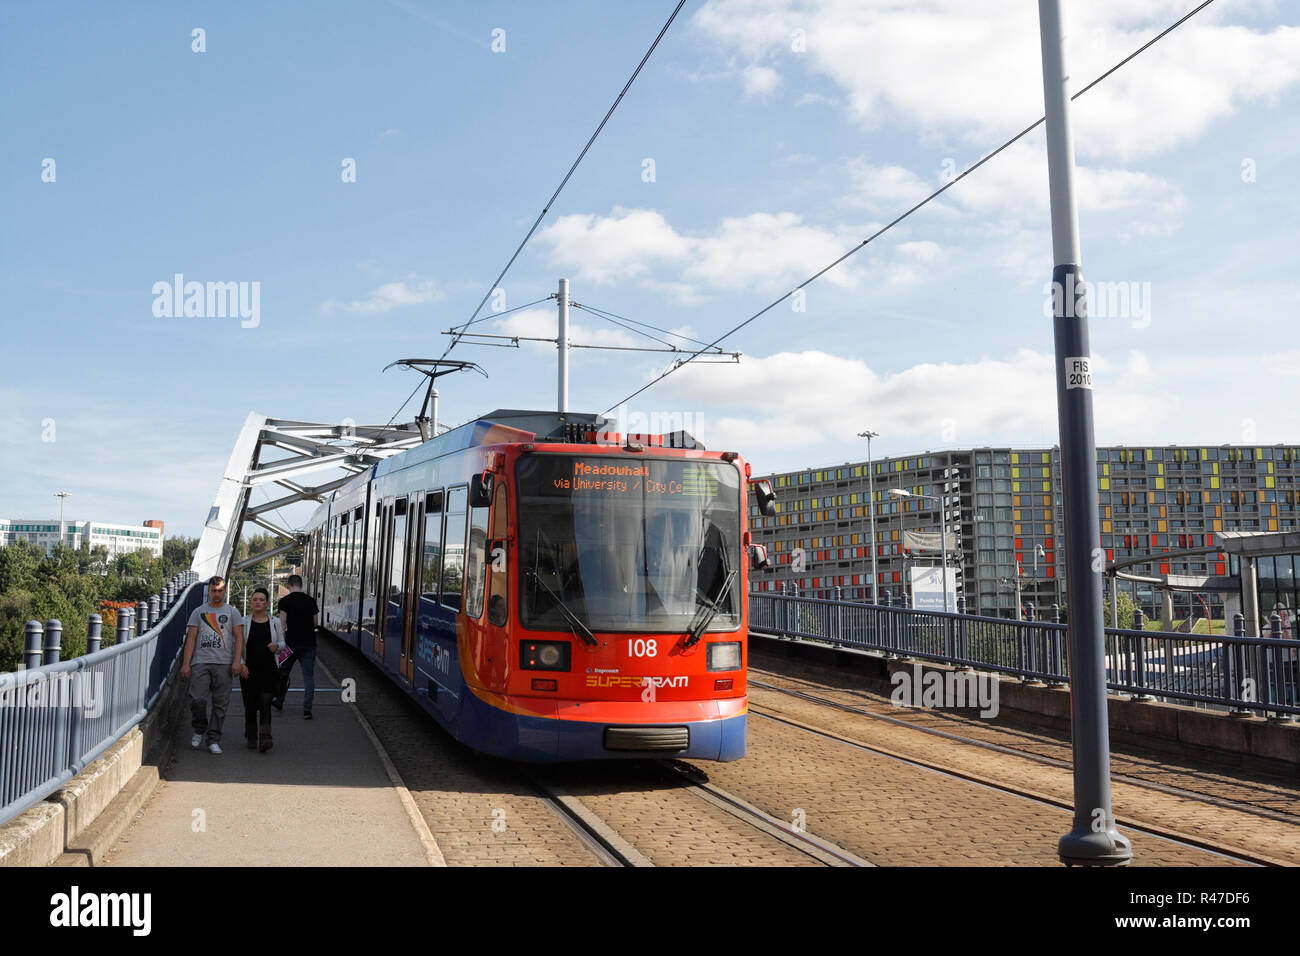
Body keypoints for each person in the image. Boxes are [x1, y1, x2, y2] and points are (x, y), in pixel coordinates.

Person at [181, 576, 244, 754]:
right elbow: (191, 639)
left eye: (220, 590)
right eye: (214, 590)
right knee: (197, 699)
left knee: (220, 704)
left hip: (224, 663)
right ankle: (200, 728)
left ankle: (213, 739)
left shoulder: (232, 612)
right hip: (200, 661)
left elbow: (239, 638)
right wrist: (186, 664)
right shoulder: (198, 612)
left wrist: (237, 661)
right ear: (208, 591)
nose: (217, 594)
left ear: (225, 591)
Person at [240, 587, 287, 752]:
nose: (258, 602)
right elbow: (237, 646)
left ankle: (265, 737)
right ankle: (251, 736)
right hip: (249, 670)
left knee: (266, 703)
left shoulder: (274, 622)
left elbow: (283, 644)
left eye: (261, 599)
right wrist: (241, 664)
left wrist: (277, 646)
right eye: (255, 599)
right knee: (250, 704)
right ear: (251, 602)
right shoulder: (244, 621)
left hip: (269, 670)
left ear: (266, 603)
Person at [275, 574, 320, 718]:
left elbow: (282, 624)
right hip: (309, 644)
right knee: (308, 677)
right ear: (301, 585)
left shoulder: (284, 601)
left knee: (283, 673)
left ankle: (279, 700)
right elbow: (315, 623)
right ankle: (307, 710)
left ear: (288, 586)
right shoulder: (311, 601)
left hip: (290, 644)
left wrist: (279, 642)